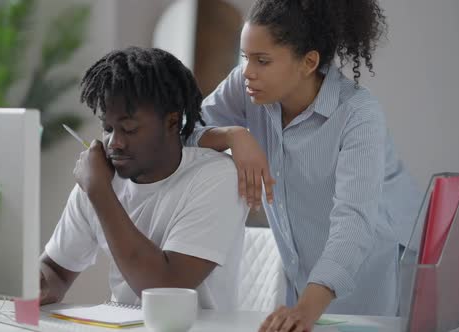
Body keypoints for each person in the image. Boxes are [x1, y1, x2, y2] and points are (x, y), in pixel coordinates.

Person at [185, 0, 421, 330]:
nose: (248, 71)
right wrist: (232, 135)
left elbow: (353, 222)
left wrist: (306, 309)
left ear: (308, 62)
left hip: (377, 269)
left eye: (262, 60)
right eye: (245, 57)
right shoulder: (247, 86)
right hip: (305, 273)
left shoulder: (358, 114)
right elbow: (182, 129)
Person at [39, 47, 249, 310]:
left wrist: (99, 191)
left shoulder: (216, 177)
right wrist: (37, 285)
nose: (114, 143)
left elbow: (165, 288)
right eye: (107, 128)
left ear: (172, 122)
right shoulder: (101, 177)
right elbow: (56, 270)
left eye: (128, 129)